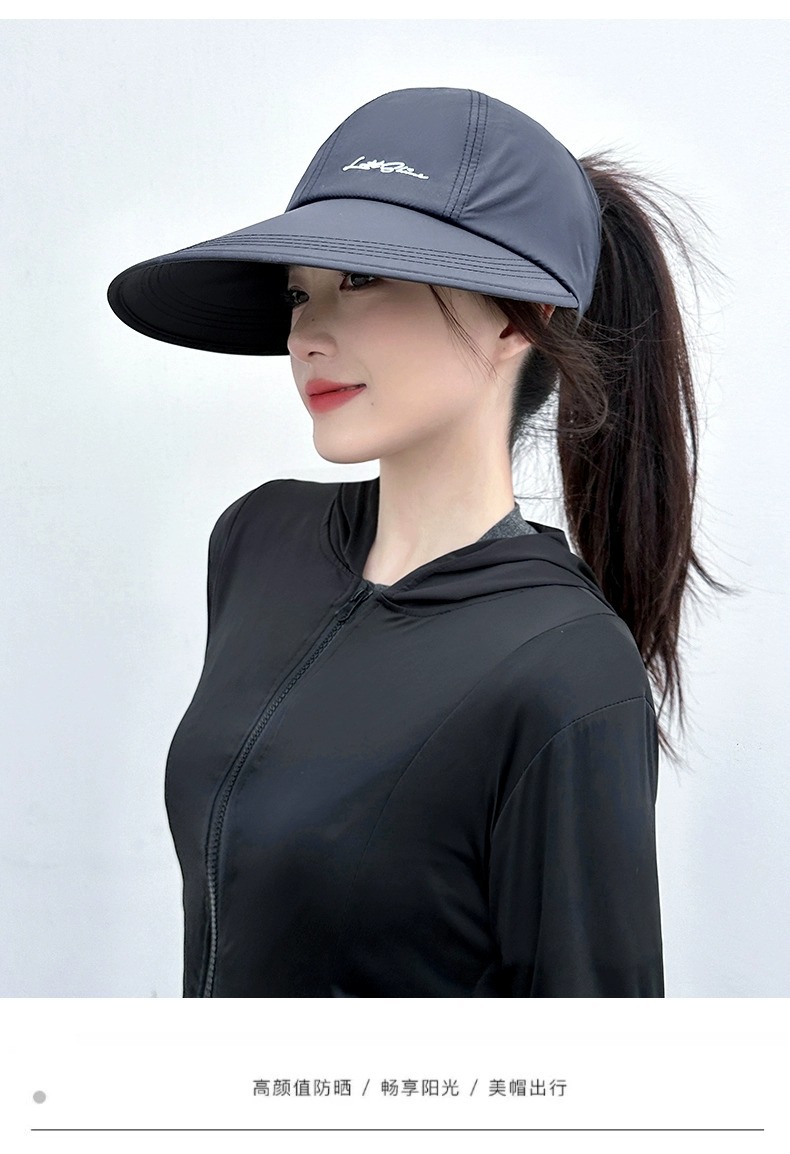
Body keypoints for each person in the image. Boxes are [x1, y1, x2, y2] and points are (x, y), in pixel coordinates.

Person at [107, 87, 728, 998]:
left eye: (362, 280)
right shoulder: (257, 543)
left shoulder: (565, 665)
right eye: (299, 292)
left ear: (516, 315)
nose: (307, 335)